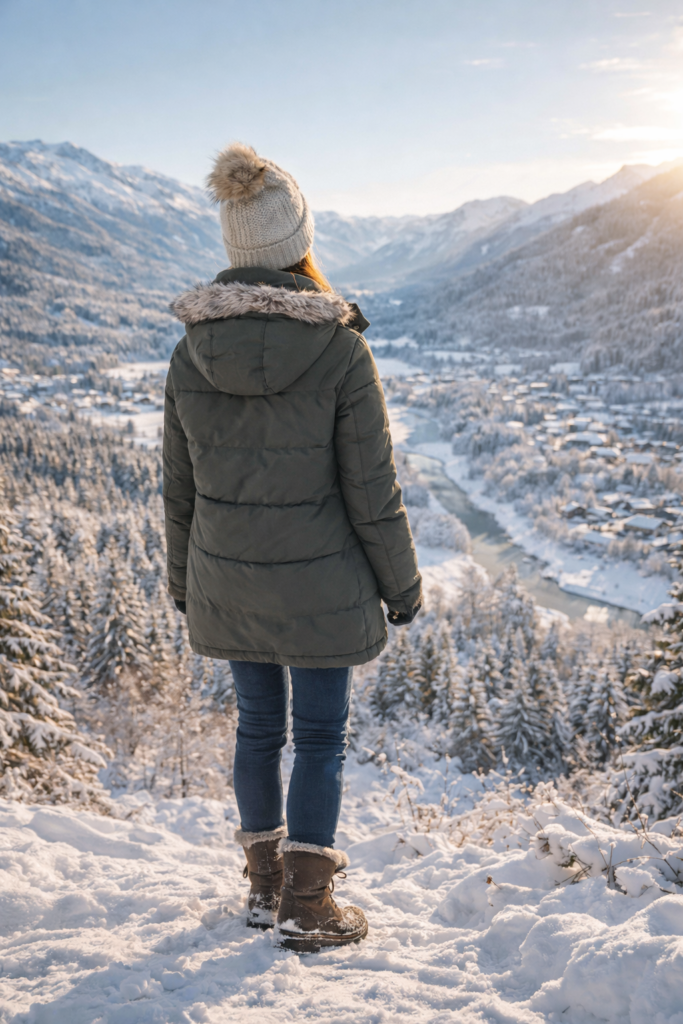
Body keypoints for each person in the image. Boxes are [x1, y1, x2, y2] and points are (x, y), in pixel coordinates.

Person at [164, 142, 421, 952]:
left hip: (228, 578)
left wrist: (185, 584)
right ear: (298, 242)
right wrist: (402, 587)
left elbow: (179, 489)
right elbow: (371, 488)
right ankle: (307, 906)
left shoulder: (190, 350)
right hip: (321, 584)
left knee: (256, 730)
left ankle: (262, 888)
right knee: (317, 738)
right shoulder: (340, 349)